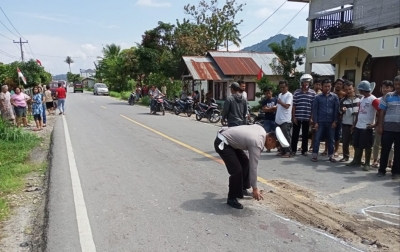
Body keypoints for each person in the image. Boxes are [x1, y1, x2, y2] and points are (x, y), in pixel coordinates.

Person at [214, 124, 279, 209]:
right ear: (270, 139)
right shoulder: (257, 143)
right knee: (237, 171)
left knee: (245, 163)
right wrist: (255, 189)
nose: (272, 148)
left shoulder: (261, 130)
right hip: (223, 143)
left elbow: (246, 140)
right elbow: (253, 168)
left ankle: (242, 189)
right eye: (273, 146)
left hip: (230, 141)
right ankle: (231, 198)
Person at [347, 81, 380, 171]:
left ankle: (367, 163)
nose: (359, 91)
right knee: (356, 144)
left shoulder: (373, 99)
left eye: (360, 89)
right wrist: (355, 124)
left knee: (367, 146)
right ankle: (356, 160)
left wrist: (376, 124)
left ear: (363, 90)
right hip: (358, 126)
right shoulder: (362, 99)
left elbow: (380, 111)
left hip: (367, 127)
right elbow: (359, 112)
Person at [377, 76, 400, 179]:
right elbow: (382, 111)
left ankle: (396, 172)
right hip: (388, 129)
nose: (397, 86)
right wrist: (380, 126)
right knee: (385, 149)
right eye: (396, 84)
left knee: (398, 151)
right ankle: (381, 170)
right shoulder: (388, 96)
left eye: (399, 84)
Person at [311, 79, 339, 162]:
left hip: (331, 121)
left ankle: (331, 155)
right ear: (322, 87)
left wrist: (335, 121)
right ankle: (315, 155)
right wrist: (315, 122)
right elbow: (315, 110)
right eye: (325, 86)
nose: (327, 88)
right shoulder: (317, 97)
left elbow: (336, 109)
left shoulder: (334, 97)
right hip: (320, 121)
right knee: (317, 139)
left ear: (331, 86)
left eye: (329, 86)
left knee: (331, 139)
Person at [291, 74, 316, 156]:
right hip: (297, 116)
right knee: (295, 134)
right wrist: (293, 116)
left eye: (307, 82)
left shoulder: (313, 93)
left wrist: (311, 117)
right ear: (301, 83)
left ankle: (304, 150)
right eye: (304, 82)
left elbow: (313, 107)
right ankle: (293, 150)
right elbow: (294, 105)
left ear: (310, 83)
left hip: (307, 116)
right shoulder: (297, 92)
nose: (306, 83)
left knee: (305, 134)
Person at [372, 80, 394, 168]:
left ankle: (389, 161)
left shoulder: (395, 99)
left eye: (387, 88)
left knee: (390, 145)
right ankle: (375, 160)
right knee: (377, 143)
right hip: (379, 123)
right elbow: (376, 112)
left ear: (392, 89)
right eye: (384, 88)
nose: (385, 90)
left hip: (390, 125)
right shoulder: (378, 100)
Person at [339, 81, 361, 162]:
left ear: (353, 88)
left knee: (357, 142)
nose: (348, 91)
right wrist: (342, 110)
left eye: (350, 89)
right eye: (346, 89)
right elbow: (339, 111)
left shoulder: (360, 98)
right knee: (345, 141)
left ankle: (357, 158)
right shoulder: (342, 100)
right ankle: (345, 156)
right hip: (346, 123)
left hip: (358, 124)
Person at [275, 80, 293, 158]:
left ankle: (288, 152)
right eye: (281, 87)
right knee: (280, 136)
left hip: (285, 120)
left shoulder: (289, 95)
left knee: (286, 136)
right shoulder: (280, 95)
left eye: (283, 87)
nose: (282, 89)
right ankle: (282, 151)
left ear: (287, 87)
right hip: (278, 119)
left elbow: (287, 106)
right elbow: (278, 106)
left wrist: (280, 102)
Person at [309, 79, 322, 153]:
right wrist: (311, 116)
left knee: (318, 131)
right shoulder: (311, 93)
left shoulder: (321, 94)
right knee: (313, 131)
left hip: (320, 115)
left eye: (319, 85)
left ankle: (316, 146)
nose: (318, 86)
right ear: (314, 85)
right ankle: (311, 145)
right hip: (312, 113)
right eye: (316, 84)